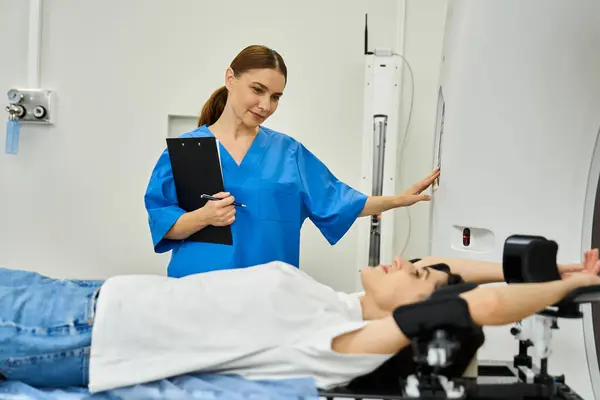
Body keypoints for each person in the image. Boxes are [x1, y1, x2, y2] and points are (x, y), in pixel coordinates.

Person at [0, 249, 598, 394]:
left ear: (414, 311)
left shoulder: (342, 345)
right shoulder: (335, 303)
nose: (407, 262)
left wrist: (572, 286)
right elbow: (446, 268)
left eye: (414, 276)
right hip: (82, 298)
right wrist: (558, 262)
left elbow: (477, 306)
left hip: (73, 336)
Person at [144, 44, 440, 277]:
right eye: (257, 90)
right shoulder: (187, 150)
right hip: (197, 291)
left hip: (268, 295)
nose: (265, 105)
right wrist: (204, 217)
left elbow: (339, 201)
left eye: (275, 97)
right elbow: (162, 224)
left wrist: (398, 200)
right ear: (230, 79)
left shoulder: (288, 153)